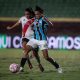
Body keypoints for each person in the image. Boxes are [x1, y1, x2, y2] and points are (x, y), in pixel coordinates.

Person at [19, 6, 62, 73]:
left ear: (41, 14)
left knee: (46, 57)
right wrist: (29, 28)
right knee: (26, 51)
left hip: (42, 40)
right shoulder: (34, 20)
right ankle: (21, 68)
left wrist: (46, 19)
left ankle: (58, 66)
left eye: (38, 14)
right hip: (34, 40)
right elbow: (27, 24)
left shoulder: (44, 20)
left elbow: (51, 24)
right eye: (35, 14)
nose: (36, 15)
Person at [7, 7, 44, 72]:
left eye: (28, 14)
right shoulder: (22, 18)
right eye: (26, 14)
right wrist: (11, 27)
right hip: (25, 37)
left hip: (33, 38)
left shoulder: (34, 20)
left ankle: (39, 64)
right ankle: (21, 67)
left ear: (31, 14)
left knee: (35, 54)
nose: (27, 15)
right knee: (25, 51)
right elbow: (17, 23)